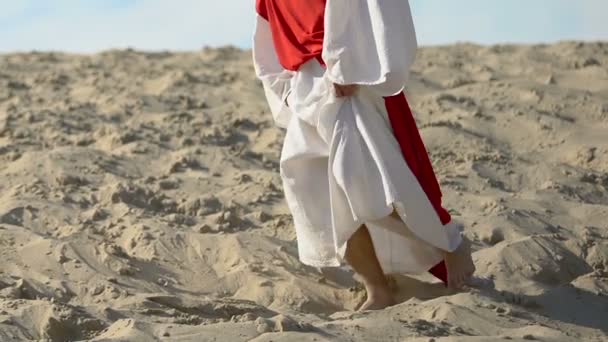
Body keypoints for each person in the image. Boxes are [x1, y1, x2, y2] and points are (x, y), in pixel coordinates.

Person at [252, 0, 476, 311]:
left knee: (363, 182)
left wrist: (349, 65)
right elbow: (267, 36)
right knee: (315, 192)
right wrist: (285, 90)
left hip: (348, 80)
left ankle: (450, 242)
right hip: (304, 88)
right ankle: (378, 290)